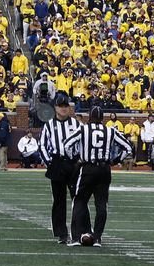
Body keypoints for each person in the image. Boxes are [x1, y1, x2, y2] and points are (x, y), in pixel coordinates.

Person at [65, 106, 132, 246]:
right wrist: (115, 160)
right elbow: (128, 147)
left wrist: (76, 159)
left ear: (89, 116)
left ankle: (76, 237)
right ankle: (97, 238)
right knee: (101, 205)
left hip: (88, 168)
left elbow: (67, 145)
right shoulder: (110, 130)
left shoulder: (83, 129)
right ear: (102, 118)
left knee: (79, 201)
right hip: (104, 169)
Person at [37, 96, 84, 245]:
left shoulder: (76, 124)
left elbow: (83, 142)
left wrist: (80, 160)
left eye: (66, 106)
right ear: (55, 108)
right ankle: (61, 233)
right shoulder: (49, 125)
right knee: (58, 200)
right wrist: (49, 163)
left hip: (72, 163)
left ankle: (79, 231)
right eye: (60, 106)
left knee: (77, 199)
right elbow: (42, 145)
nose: (63, 108)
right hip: (57, 162)